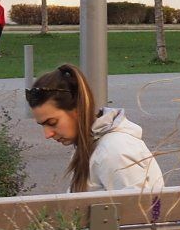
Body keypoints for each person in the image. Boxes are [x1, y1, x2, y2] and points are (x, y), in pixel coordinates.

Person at [25, 64, 165, 194]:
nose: (47, 134)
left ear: (78, 109)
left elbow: (138, 209)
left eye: (52, 122)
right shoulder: (93, 145)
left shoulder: (114, 151)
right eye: (42, 125)